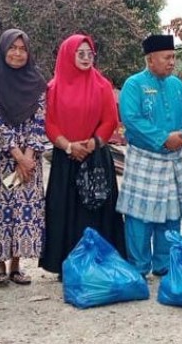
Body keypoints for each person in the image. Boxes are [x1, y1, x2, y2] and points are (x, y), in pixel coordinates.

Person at [40, 34, 126, 275]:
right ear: (68, 55)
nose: (87, 58)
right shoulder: (53, 88)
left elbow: (110, 120)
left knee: (97, 211)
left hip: (95, 156)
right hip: (66, 158)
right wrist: (69, 146)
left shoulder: (102, 85)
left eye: (90, 53)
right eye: (81, 53)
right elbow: (49, 122)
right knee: (65, 212)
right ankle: (67, 264)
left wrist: (92, 143)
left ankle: (100, 263)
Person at [117, 34, 182, 277]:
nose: (172, 62)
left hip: (173, 160)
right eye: (167, 57)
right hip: (144, 159)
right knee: (139, 215)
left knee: (171, 214)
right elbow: (131, 120)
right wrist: (164, 138)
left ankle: (165, 265)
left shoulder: (177, 85)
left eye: (173, 57)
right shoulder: (134, 85)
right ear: (150, 59)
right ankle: (139, 266)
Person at [0, 29, 48, 286]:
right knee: (1, 210)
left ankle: (16, 266)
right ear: (3, 50)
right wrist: (18, 156)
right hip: (2, 158)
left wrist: (29, 156)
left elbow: (40, 119)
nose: (18, 53)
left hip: (30, 160)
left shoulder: (37, 81)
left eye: (23, 49)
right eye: (13, 48)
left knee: (23, 211)